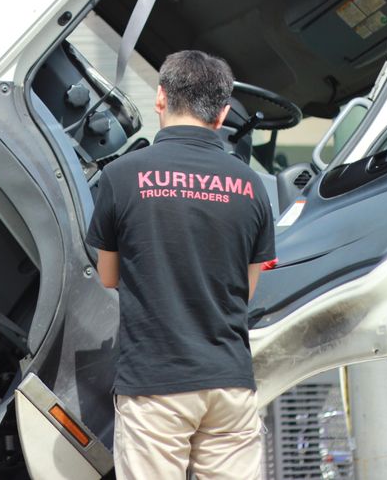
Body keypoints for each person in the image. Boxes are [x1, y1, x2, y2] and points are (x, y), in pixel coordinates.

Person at [86, 50, 275, 479]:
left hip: (155, 383)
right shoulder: (251, 186)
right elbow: (245, 291)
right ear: (222, 114)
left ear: (160, 98)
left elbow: (109, 277)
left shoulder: (122, 176)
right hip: (229, 383)